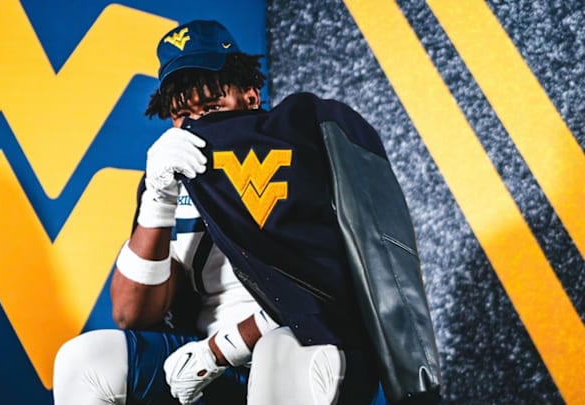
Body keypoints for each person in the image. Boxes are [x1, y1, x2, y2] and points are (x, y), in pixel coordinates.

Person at [53, 19, 439, 405]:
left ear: (251, 96)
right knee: (83, 361)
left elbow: (328, 288)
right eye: (184, 114)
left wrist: (220, 349)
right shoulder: (172, 171)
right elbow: (130, 314)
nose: (201, 126)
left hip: (307, 341)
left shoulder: (296, 142)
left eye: (212, 108)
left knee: (276, 356)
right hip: (205, 357)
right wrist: (157, 198)